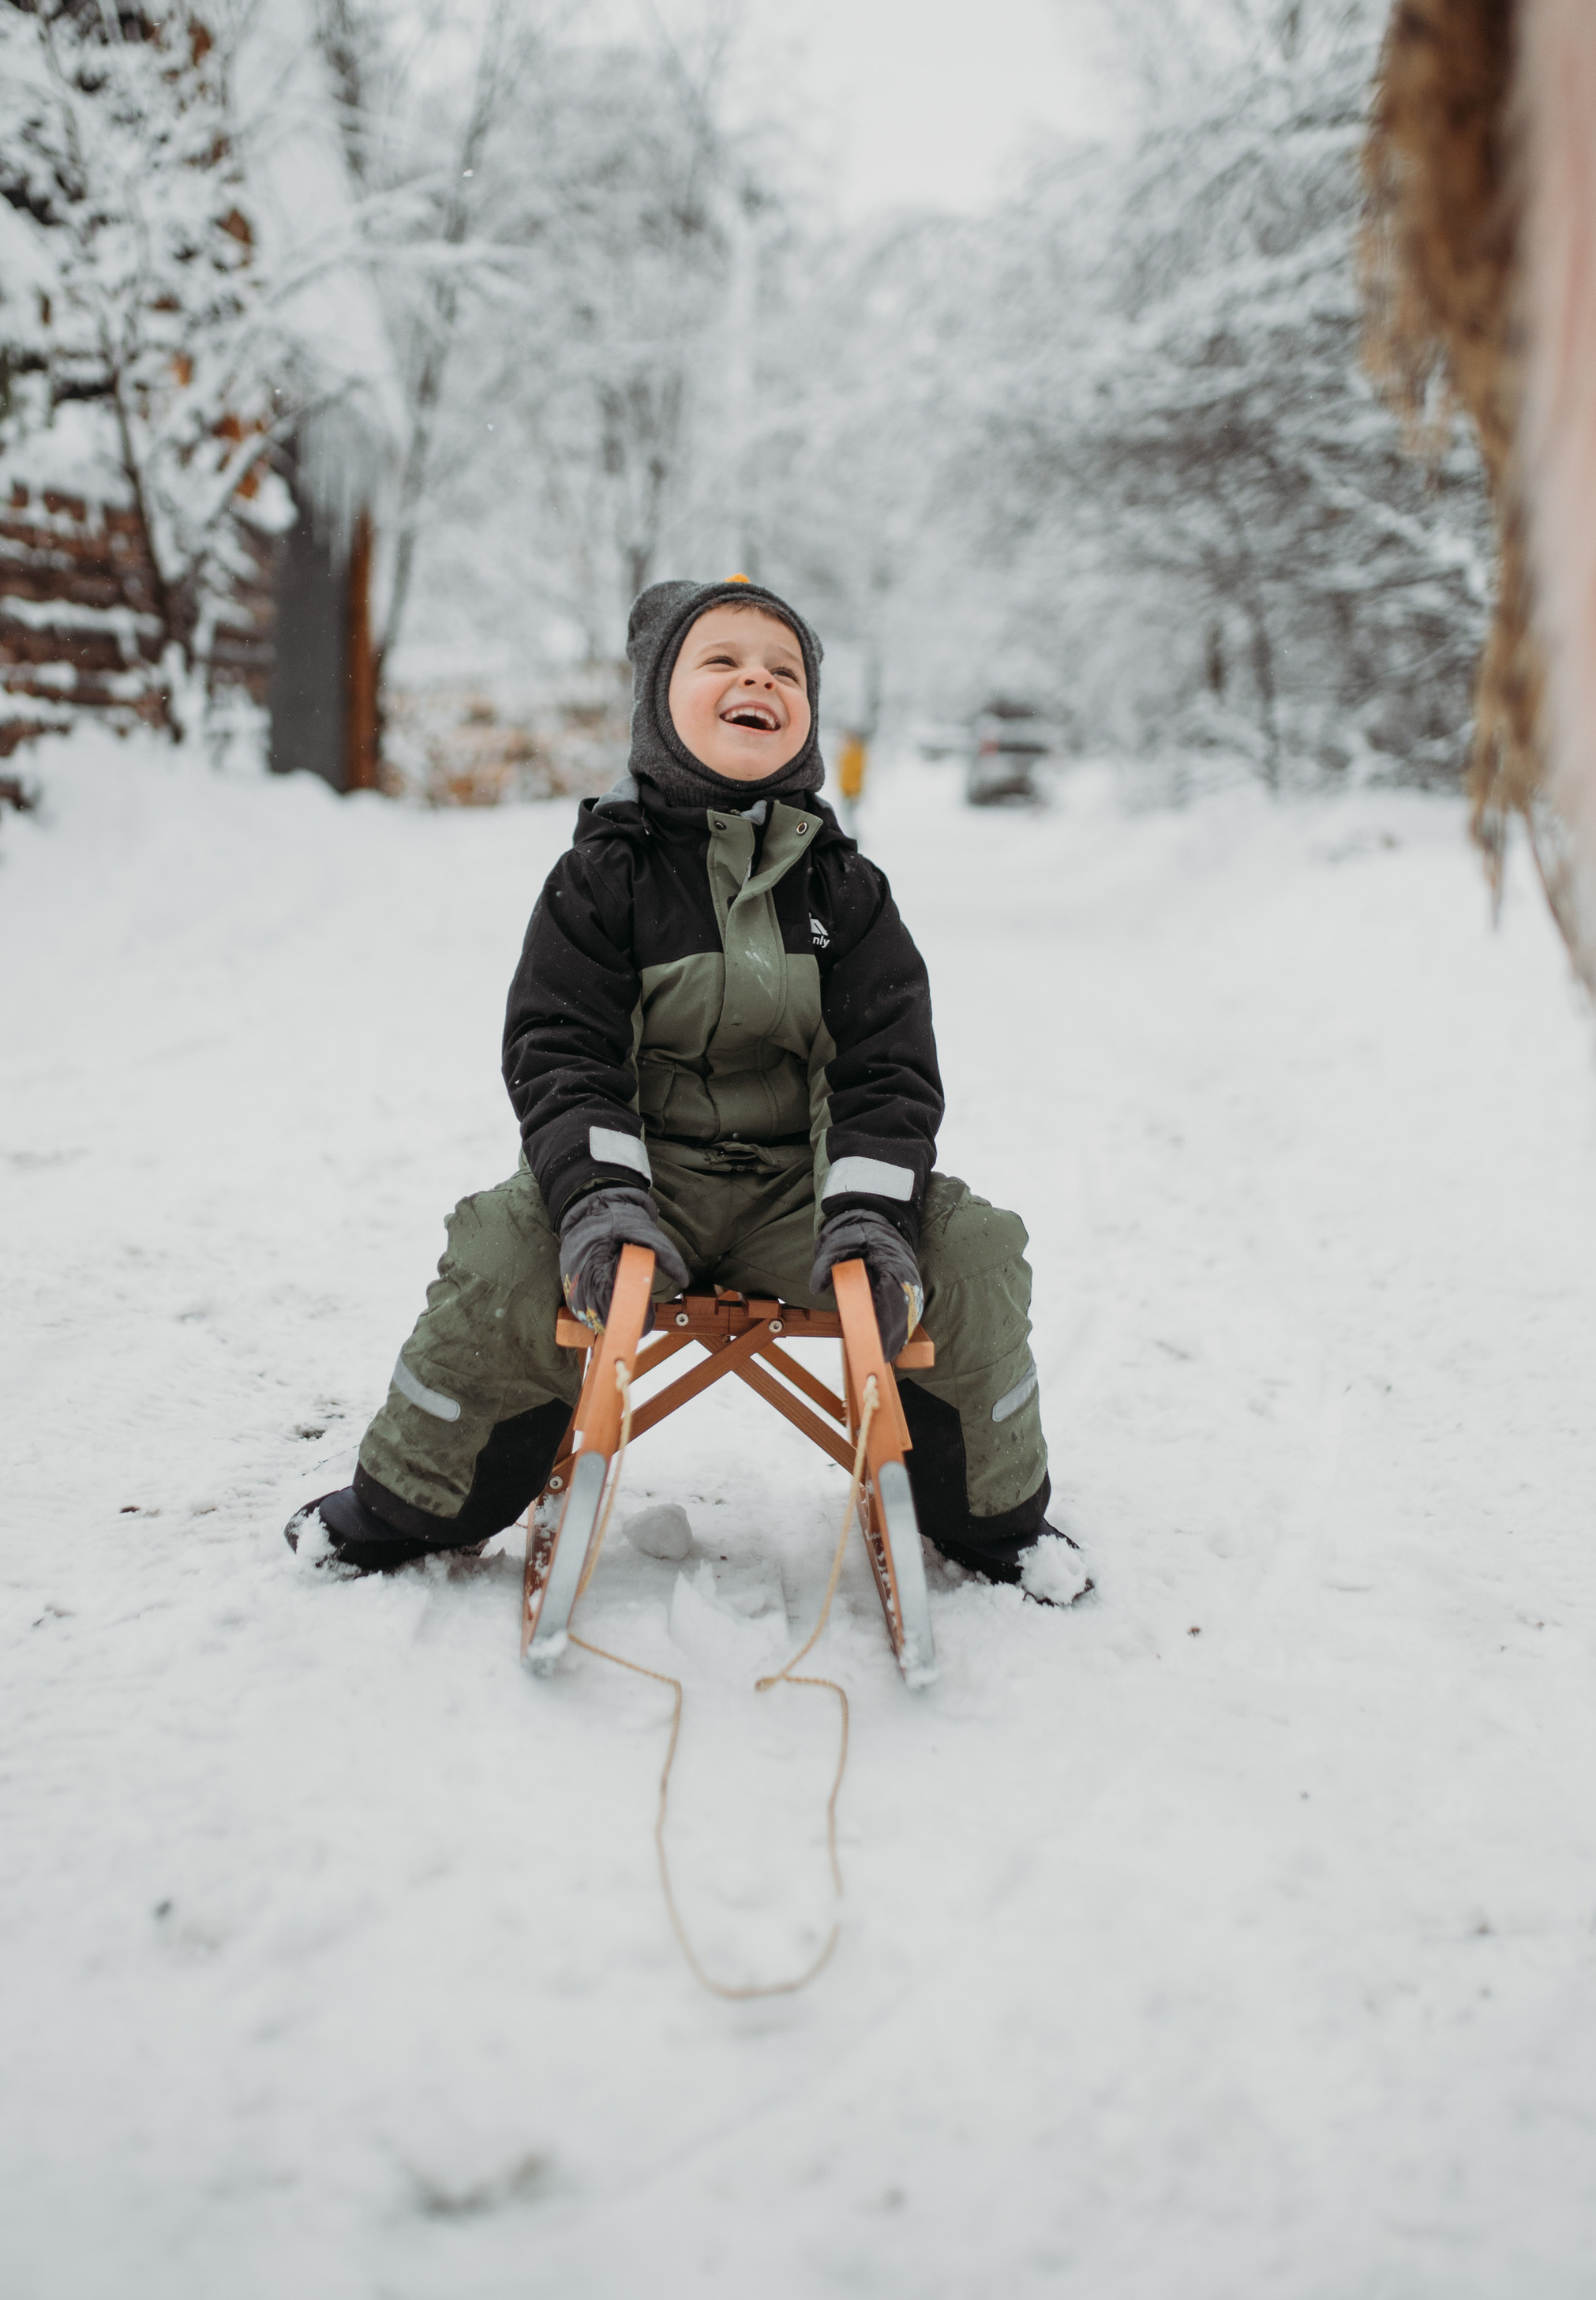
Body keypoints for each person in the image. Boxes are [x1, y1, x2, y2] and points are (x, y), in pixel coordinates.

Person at [292, 577, 1075, 1594]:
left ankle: (992, 1519)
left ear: (804, 719)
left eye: (783, 668)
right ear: (660, 704)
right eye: (723, 660)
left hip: (805, 1198)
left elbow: (887, 1068)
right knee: (498, 1248)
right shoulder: (603, 877)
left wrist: (869, 1214)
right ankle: (416, 1502)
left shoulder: (847, 891)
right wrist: (601, 1199)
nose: (758, 676)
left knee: (971, 1247)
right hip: (637, 1186)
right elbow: (561, 1050)